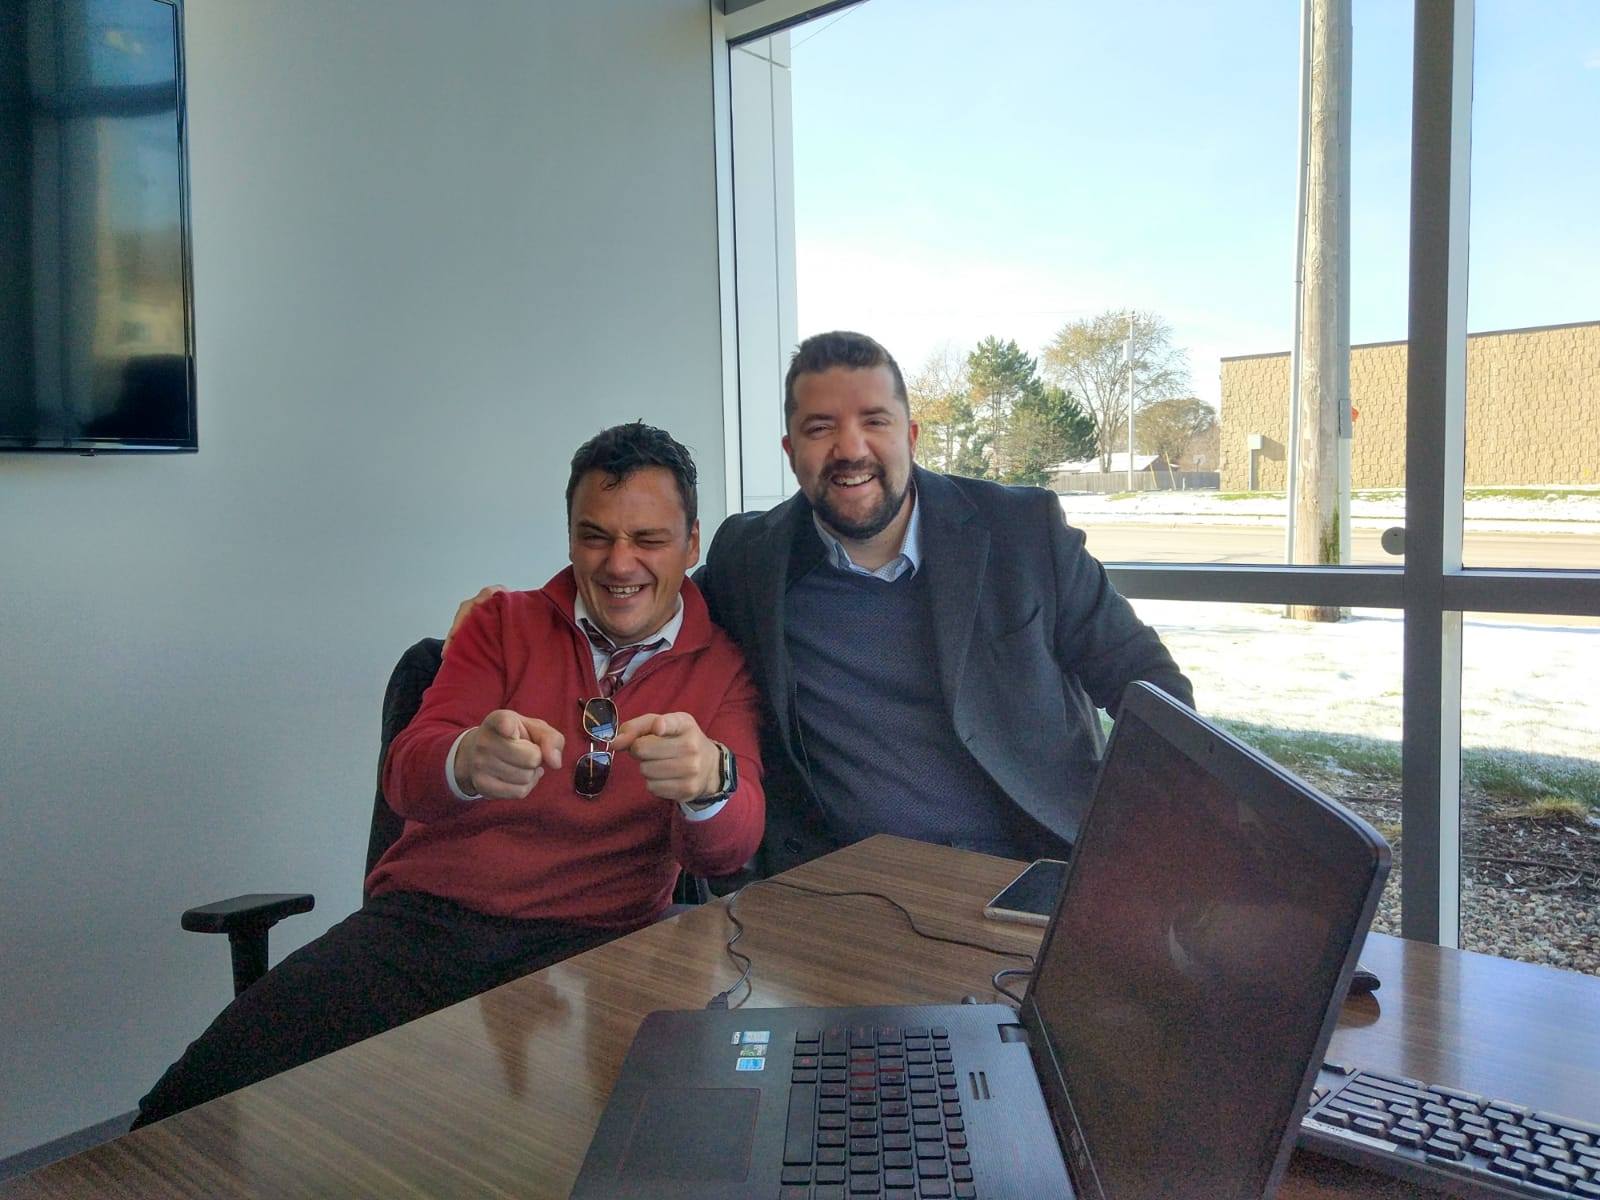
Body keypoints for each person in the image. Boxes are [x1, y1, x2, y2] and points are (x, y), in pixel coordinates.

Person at [133, 422, 763, 1126]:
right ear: (569, 539)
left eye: (648, 539)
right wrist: (464, 759)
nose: (620, 564)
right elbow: (407, 774)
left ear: (691, 544)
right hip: (423, 929)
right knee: (184, 1112)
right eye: (595, 537)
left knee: (587, 1141)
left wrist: (711, 782)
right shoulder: (500, 623)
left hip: (599, 944)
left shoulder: (723, 667)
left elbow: (729, 851)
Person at [694, 330, 1192, 876]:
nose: (851, 449)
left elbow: (1148, 685)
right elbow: (656, 607)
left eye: (874, 421)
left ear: (910, 436)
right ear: (791, 452)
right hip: (849, 888)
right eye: (820, 428)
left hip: (1035, 867)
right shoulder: (751, 560)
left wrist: (1132, 837)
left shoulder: (1024, 532)